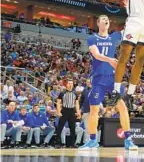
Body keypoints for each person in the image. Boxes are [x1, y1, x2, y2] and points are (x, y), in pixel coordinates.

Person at [79, 15, 138, 150]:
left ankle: (128, 140)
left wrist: (135, 17)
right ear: (98, 23)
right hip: (98, 79)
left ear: (109, 24)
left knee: (122, 107)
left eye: (107, 19)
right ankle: (93, 141)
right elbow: (96, 54)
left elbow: (130, 31)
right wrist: (110, 60)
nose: (105, 20)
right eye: (102, 19)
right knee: (94, 110)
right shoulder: (92, 38)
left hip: (112, 80)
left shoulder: (114, 36)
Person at [55, 79, 81, 148]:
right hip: (64, 111)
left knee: (72, 128)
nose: (70, 84)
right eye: (69, 83)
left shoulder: (75, 93)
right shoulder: (62, 93)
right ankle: (58, 143)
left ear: (73, 85)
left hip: (72, 111)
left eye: (71, 83)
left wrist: (78, 112)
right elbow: (58, 103)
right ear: (66, 84)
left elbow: (77, 104)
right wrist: (59, 111)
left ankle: (72, 144)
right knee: (60, 127)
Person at [79, 79, 92, 143]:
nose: (88, 83)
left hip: (93, 112)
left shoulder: (94, 90)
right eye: (87, 82)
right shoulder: (84, 90)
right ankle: (86, 142)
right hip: (86, 111)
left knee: (93, 127)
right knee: (87, 127)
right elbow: (81, 101)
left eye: (89, 82)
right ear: (86, 83)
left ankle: (93, 141)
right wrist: (79, 109)